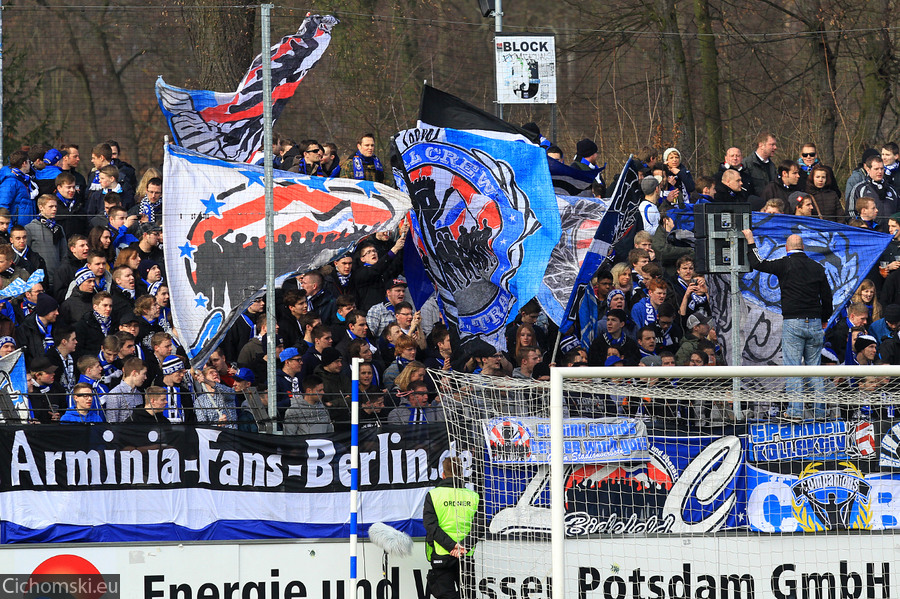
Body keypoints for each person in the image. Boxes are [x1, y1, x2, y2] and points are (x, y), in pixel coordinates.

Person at [743, 228, 833, 421]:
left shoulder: (785, 264)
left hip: (793, 322)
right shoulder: (817, 267)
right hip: (815, 323)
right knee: (815, 370)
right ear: (803, 248)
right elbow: (827, 297)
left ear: (787, 248)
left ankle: (795, 412)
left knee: (793, 369)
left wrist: (750, 240)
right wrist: (824, 318)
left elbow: (757, 263)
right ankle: (820, 413)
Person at [423, 456, 480, 599]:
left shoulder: (434, 495)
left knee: (445, 595)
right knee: (467, 595)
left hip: (441, 554)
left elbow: (430, 525)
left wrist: (452, 546)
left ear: (443, 475)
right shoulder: (474, 497)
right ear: (461, 474)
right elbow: (480, 526)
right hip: (465, 555)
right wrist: (463, 546)